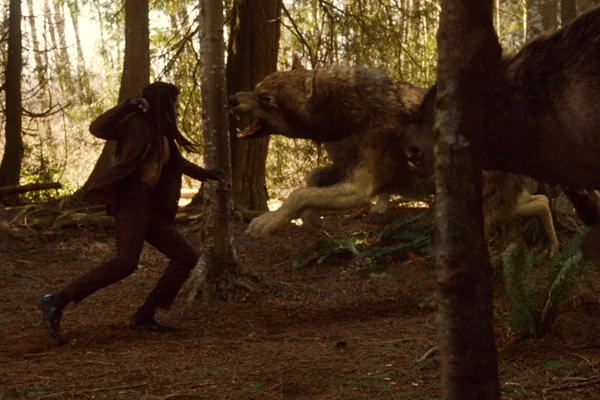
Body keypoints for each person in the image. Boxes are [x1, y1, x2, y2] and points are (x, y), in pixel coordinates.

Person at [39, 82, 225, 345]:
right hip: (131, 201)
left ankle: (145, 315)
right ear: (163, 103)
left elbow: (177, 163)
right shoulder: (135, 124)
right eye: (173, 103)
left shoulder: (164, 135)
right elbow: (98, 128)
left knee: (185, 256)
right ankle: (57, 301)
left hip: (152, 208)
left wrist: (206, 174)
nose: (176, 108)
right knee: (126, 262)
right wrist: (127, 106)